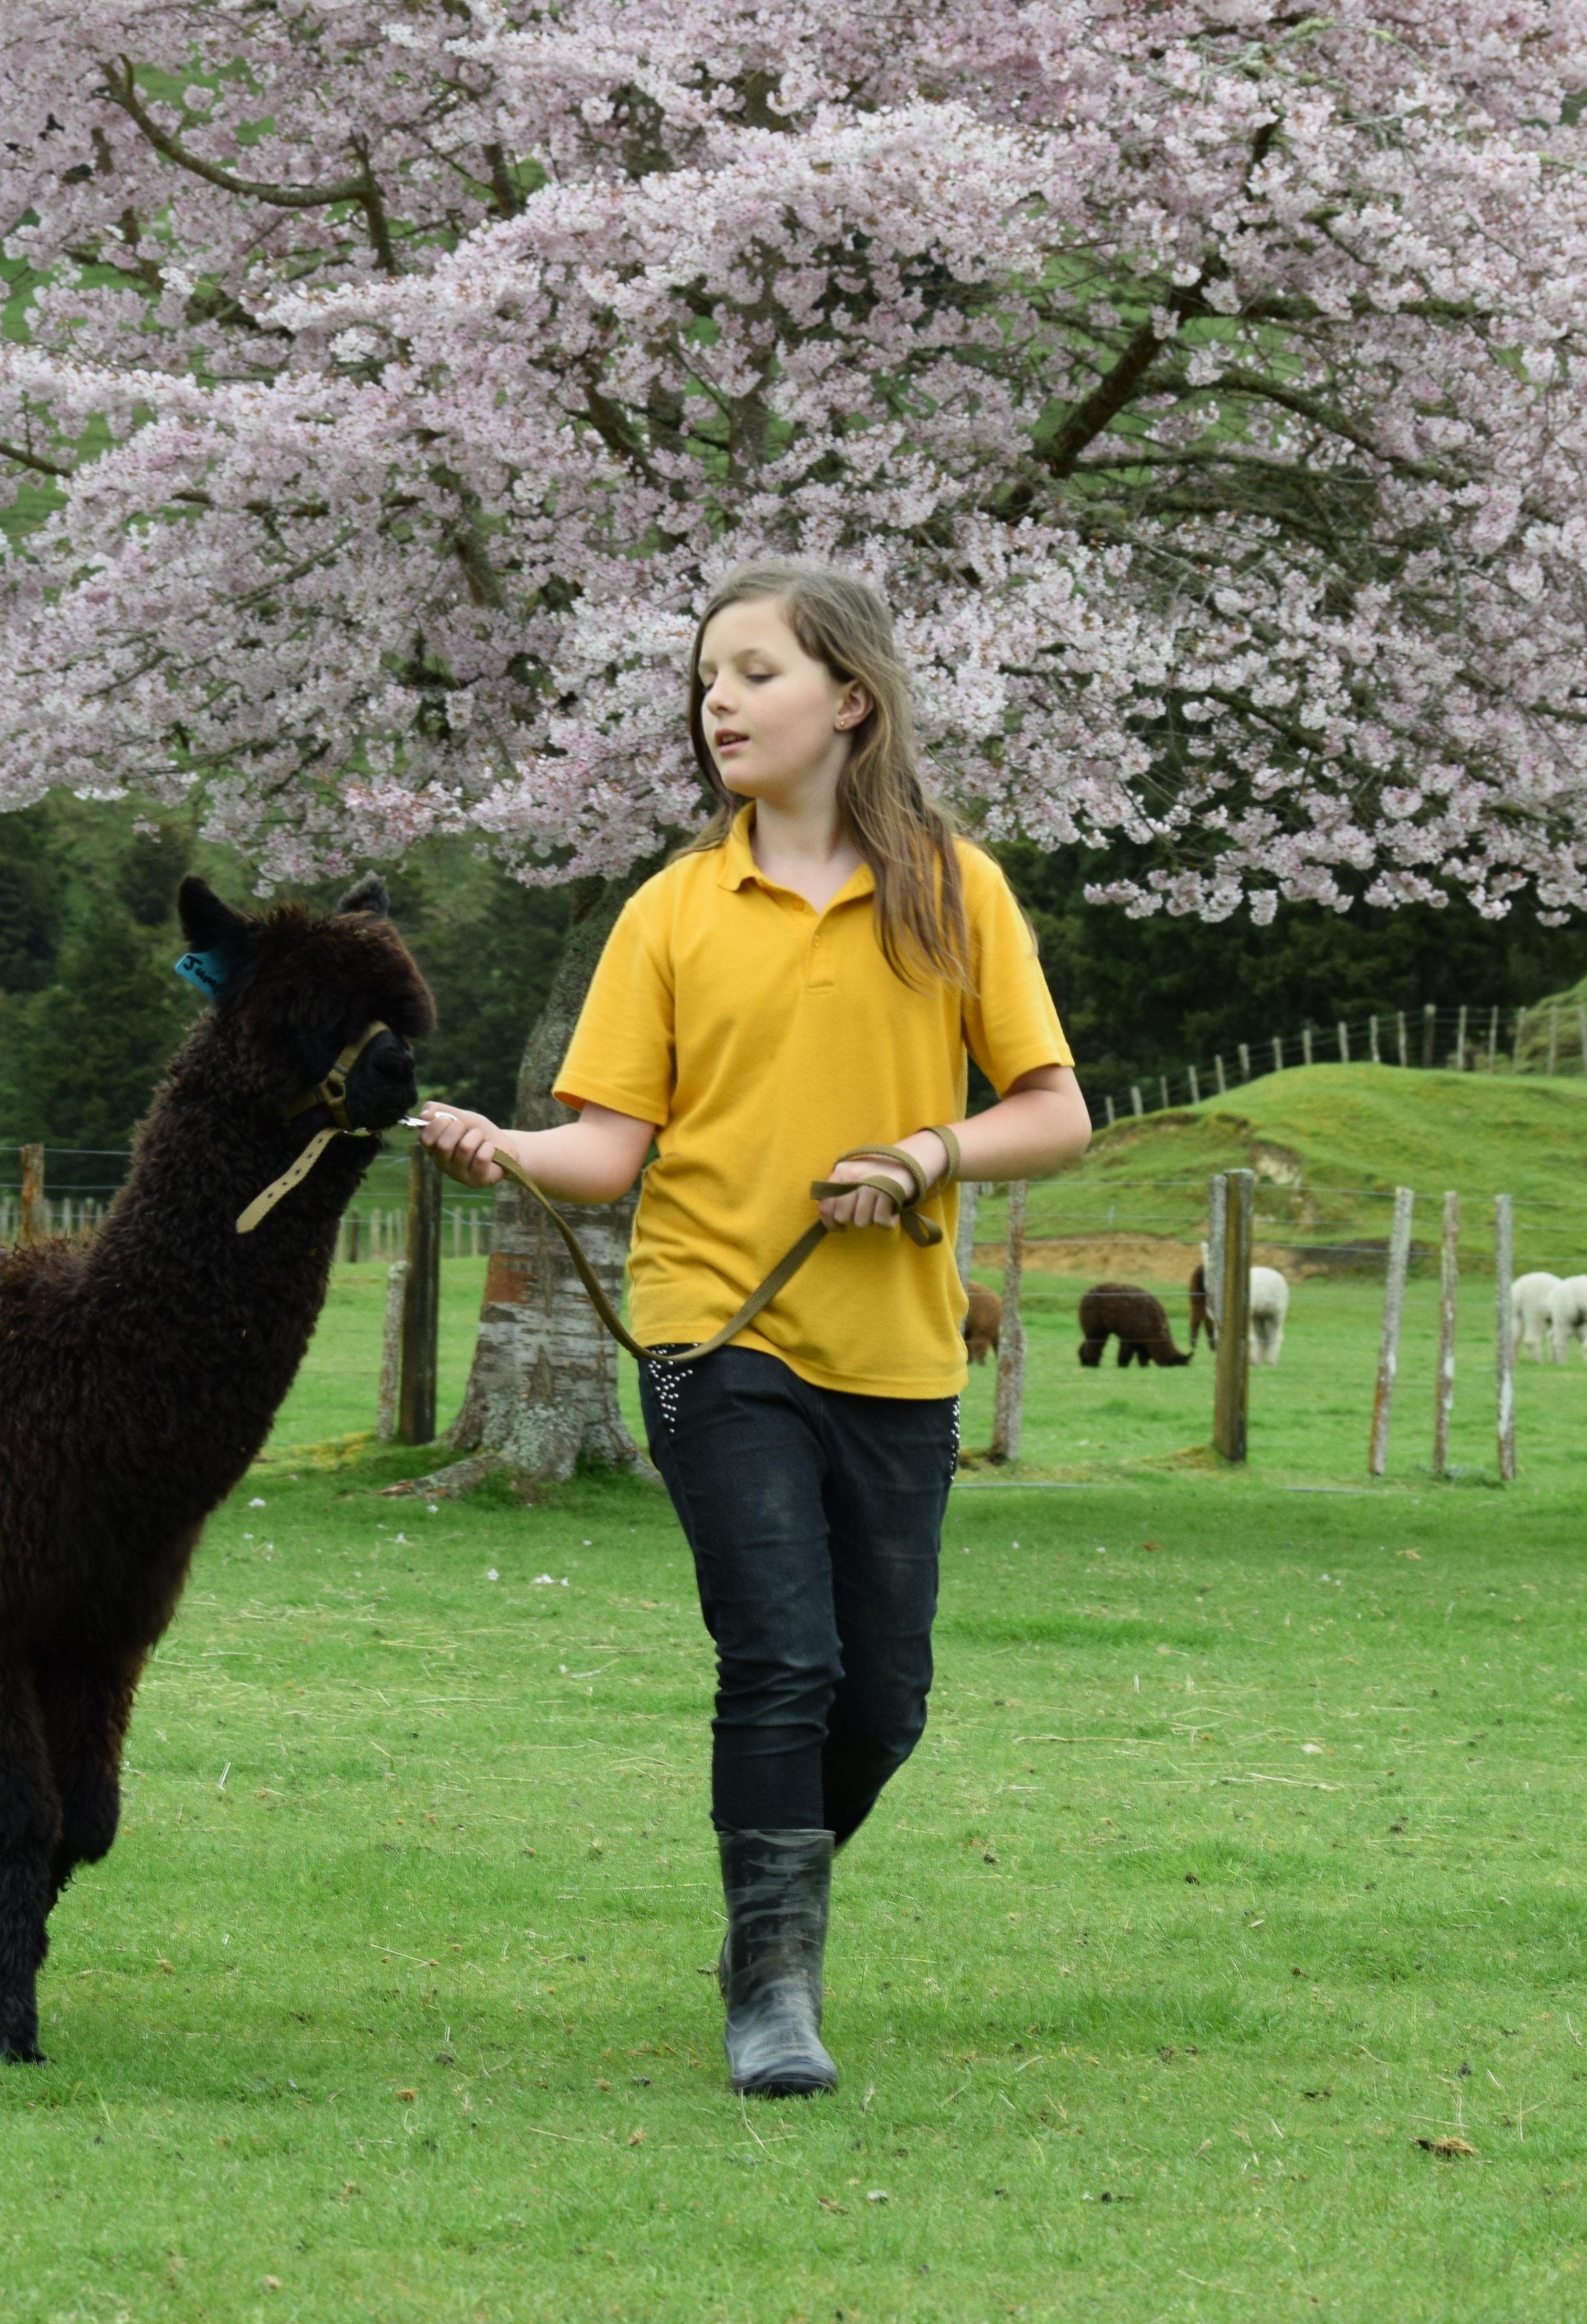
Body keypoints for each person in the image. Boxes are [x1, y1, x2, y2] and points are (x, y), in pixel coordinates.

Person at [416, 558, 1089, 2096]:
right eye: (708, 677)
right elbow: (608, 1152)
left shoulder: (955, 891)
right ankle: (776, 1988)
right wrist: (501, 1147)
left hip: (901, 1349)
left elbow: (1054, 1114)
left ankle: (760, 1918)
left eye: (757, 672)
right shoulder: (670, 910)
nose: (720, 700)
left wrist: (926, 1152)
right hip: (715, 1337)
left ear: (850, 698)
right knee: (781, 1657)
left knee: (886, 1701)